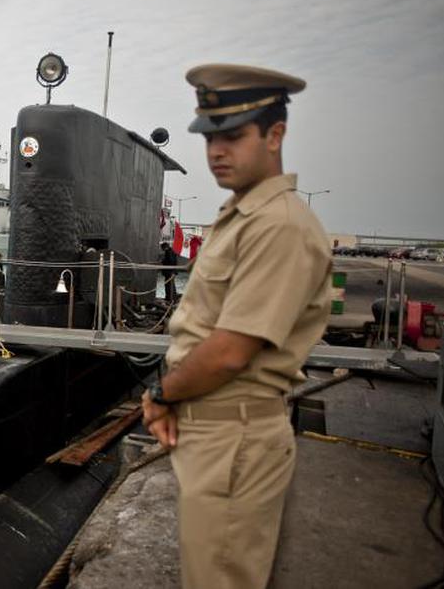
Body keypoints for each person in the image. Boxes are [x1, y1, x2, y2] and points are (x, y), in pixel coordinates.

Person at [141, 64, 332, 589]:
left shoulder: (279, 225)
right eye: (210, 137)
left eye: (234, 135)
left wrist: (160, 394)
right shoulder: (242, 215)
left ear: (276, 134)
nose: (216, 151)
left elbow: (228, 351)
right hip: (216, 433)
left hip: (235, 439)